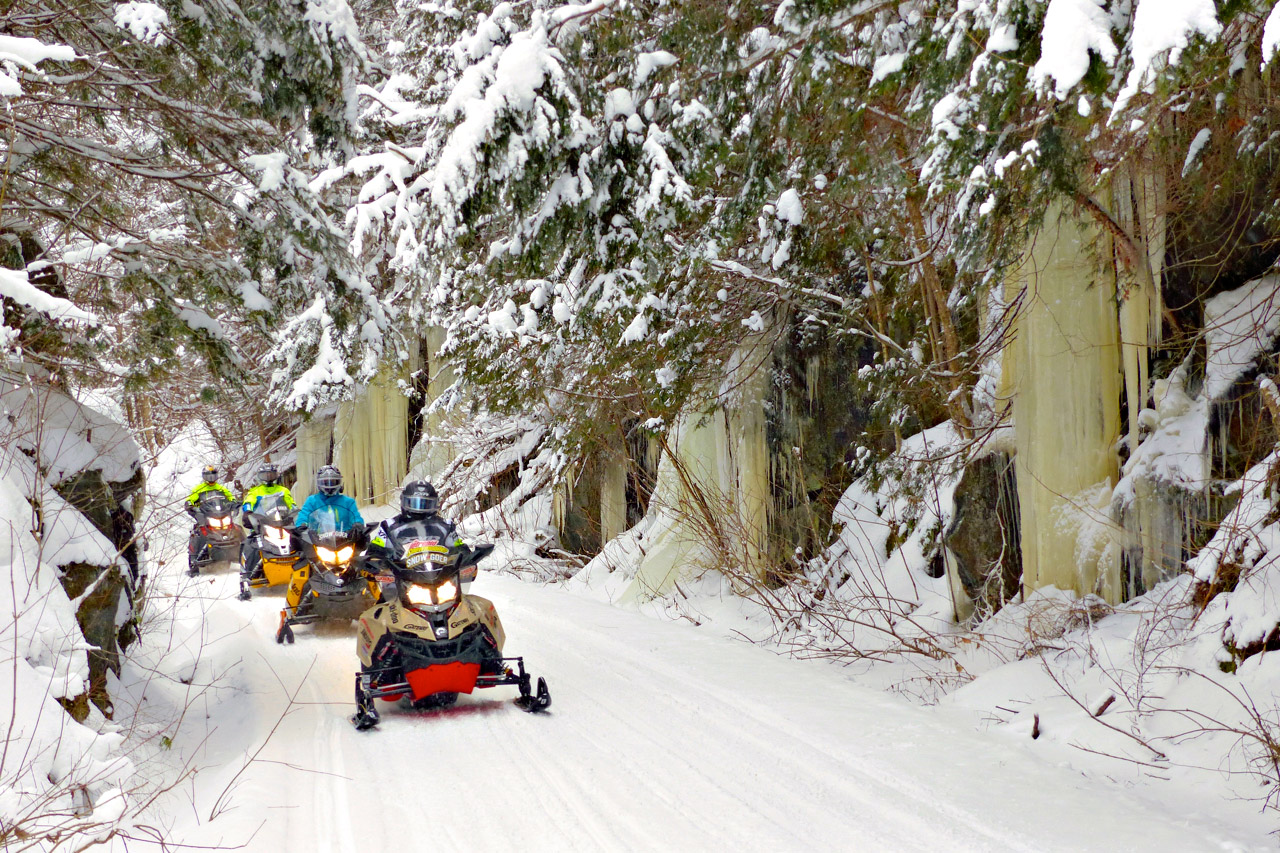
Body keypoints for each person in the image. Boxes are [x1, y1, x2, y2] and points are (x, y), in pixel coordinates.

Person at [237, 462, 297, 600]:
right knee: (250, 545)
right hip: (262, 524)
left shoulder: (283, 490)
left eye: (271, 474)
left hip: (283, 523)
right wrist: (247, 513)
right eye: (266, 475)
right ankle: (246, 575)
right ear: (260, 477)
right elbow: (248, 503)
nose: (269, 477)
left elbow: (291, 504)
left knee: (300, 541)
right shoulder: (256, 491)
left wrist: (294, 512)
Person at [370, 480, 466, 555]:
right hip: (399, 576)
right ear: (404, 502)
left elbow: (459, 549)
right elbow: (375, 550)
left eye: (425, 503)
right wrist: (376, 559)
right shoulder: (389, 526)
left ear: (434, 504)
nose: (419, 509)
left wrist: (466, 556)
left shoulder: (446, 526)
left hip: (439, 575)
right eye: (414, 503)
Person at [294, 464, 365, 531]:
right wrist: (302, 525)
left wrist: (357, 524)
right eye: (326, 482)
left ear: (339, 482)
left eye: (333, 481)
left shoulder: (348, 502)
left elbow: (355, 516)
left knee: (364, 539)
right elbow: (304, 515)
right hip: (316, 540)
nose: (329, 485)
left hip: (345, 539)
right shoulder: (312, 501)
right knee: (296, 541)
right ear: (319, 483)